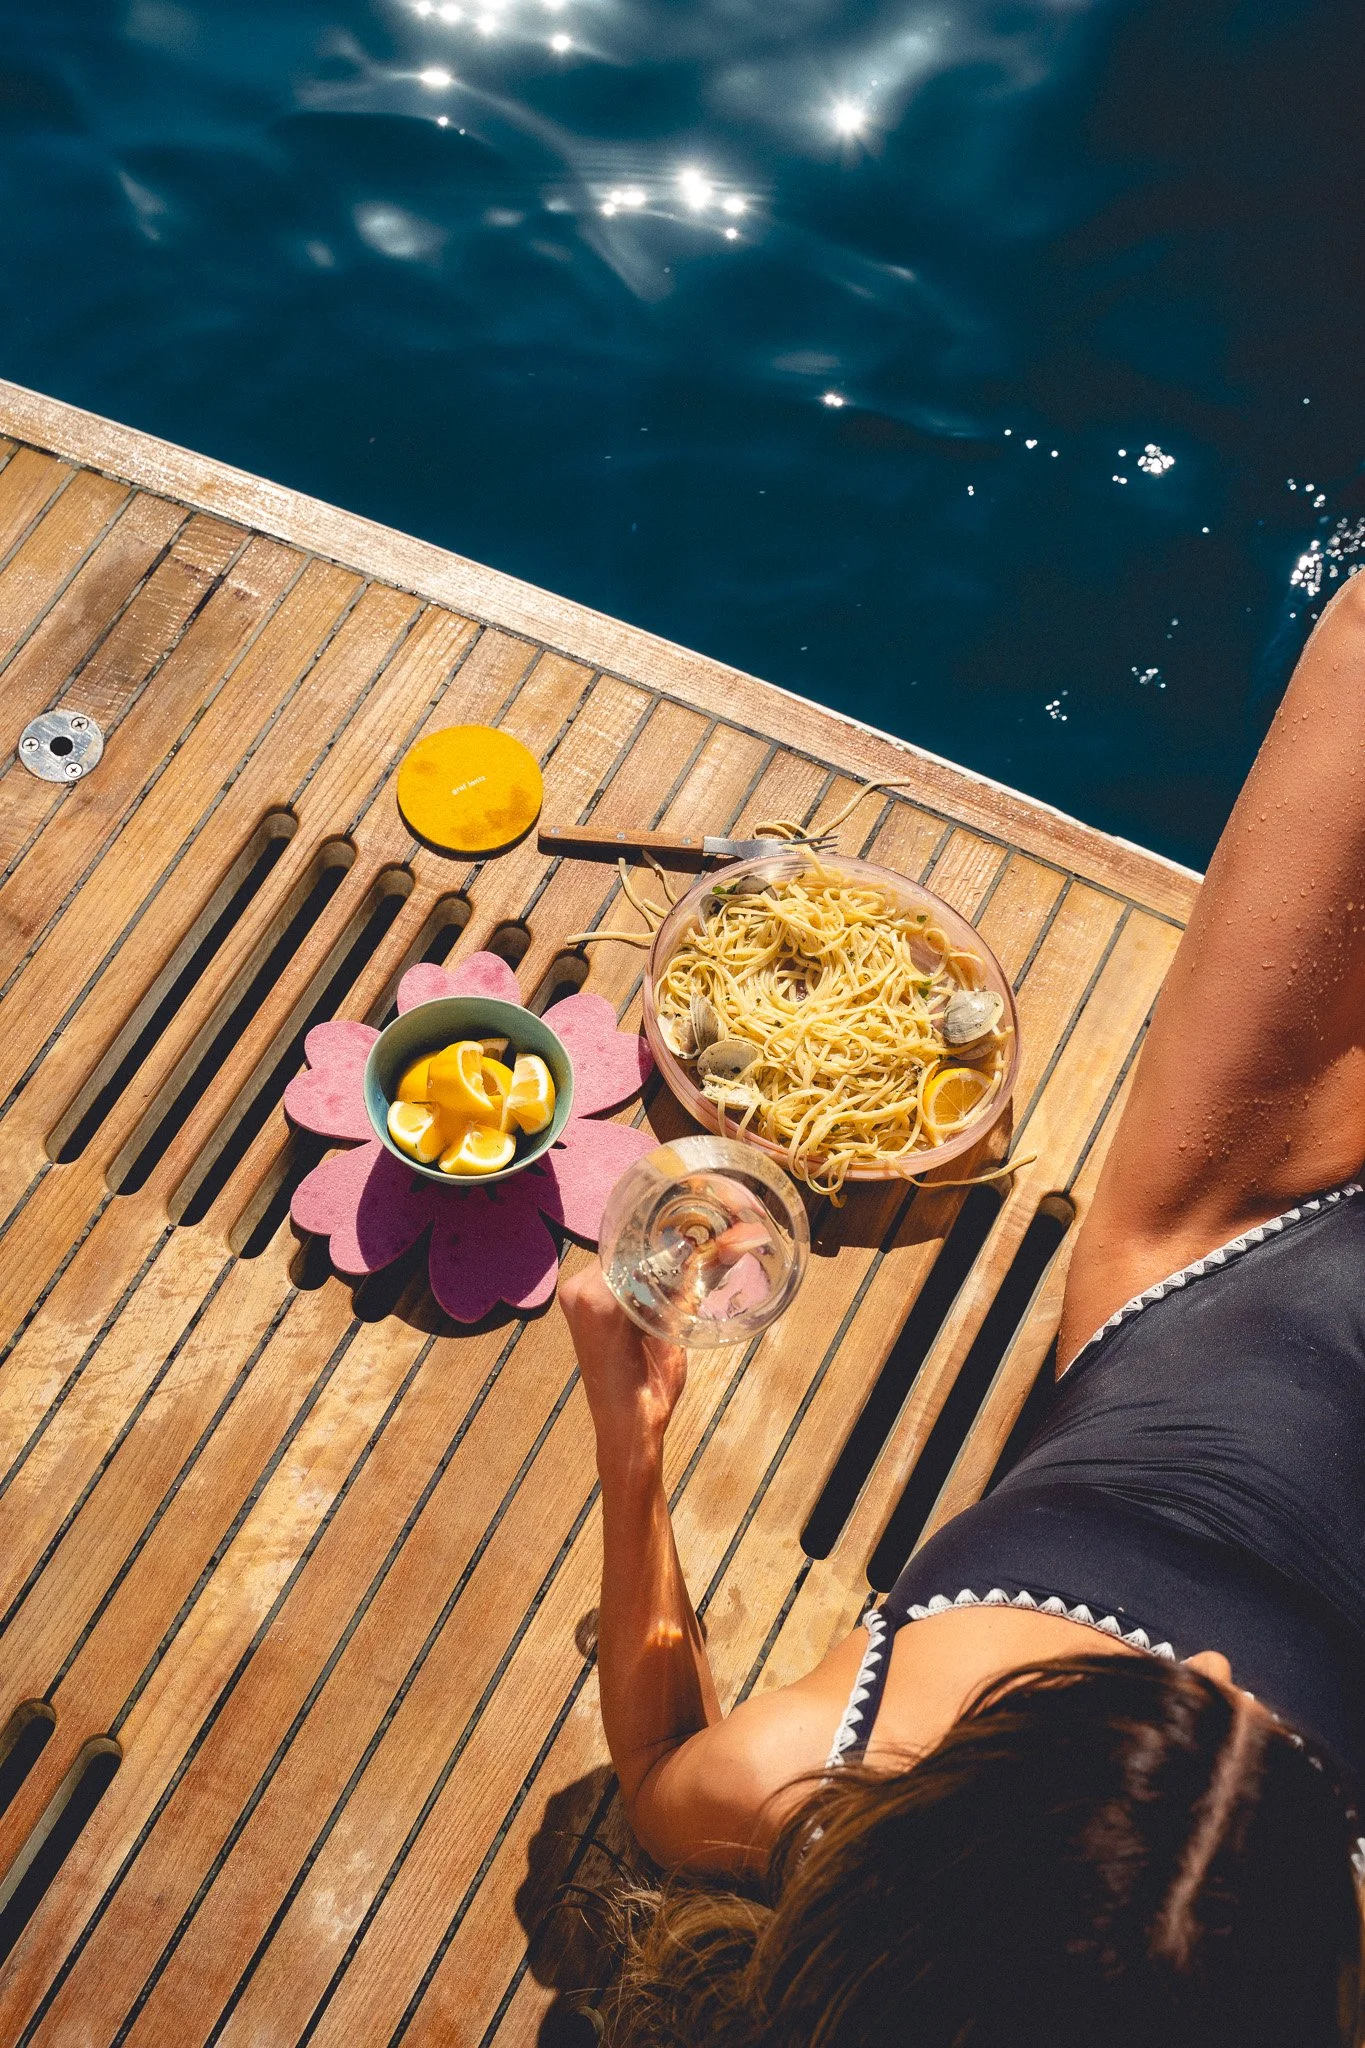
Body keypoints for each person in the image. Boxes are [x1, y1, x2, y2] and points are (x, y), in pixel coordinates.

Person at [557, 572, 1365, 2047]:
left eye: (1094, 1703)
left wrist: (633, 1435)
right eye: (1291, 1778)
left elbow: (662, 1774)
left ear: (904, 1826)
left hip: (1223, 1245)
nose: (1212, 1664)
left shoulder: (808, 1790)